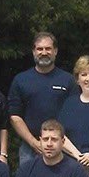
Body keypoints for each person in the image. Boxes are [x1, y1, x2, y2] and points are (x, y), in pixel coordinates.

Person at [8, 32, 78, 168]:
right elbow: (14, 116)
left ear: (55, 51)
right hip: (30, 148)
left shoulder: (68, 80)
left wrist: (61, 143)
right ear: (33, 51)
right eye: (40, 49)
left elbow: (75, 114)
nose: (44, 52)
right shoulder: (21, 80)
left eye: (48, 49)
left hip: (63, 147)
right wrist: (34, 142)